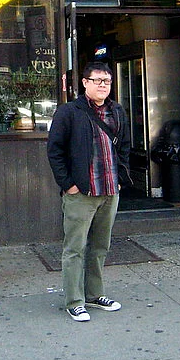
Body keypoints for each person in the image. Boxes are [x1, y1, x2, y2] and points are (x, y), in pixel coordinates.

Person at [47, 61, 130, 322]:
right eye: (97, 80)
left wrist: (119, 181)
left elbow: (125, 147)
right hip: (81, 193)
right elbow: (55, 151)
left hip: (109, 191)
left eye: (106, 81)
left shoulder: (117, 111)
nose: (102, 85)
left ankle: (94, 295)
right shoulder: (69, 112)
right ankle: (74, 301)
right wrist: (68, 185)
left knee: (100, 246)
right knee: (74, 248)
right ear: (84, 83)